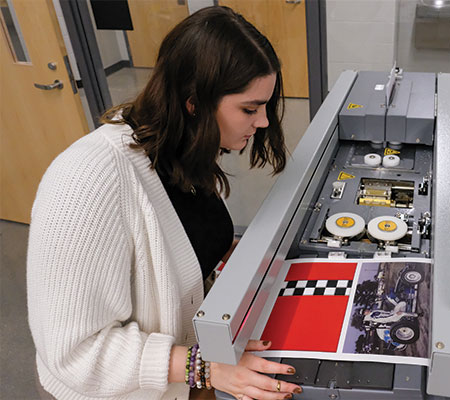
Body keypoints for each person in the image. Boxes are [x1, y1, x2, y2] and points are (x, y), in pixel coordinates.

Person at [27, 6, 302, 400]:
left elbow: (184, 249)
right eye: (249, 109)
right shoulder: (86, 181)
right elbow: (74, 354)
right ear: (194, 102)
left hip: (184, 373)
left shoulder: (182, 149)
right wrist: (204, 366)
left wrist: (257, 262)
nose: (261, 123)